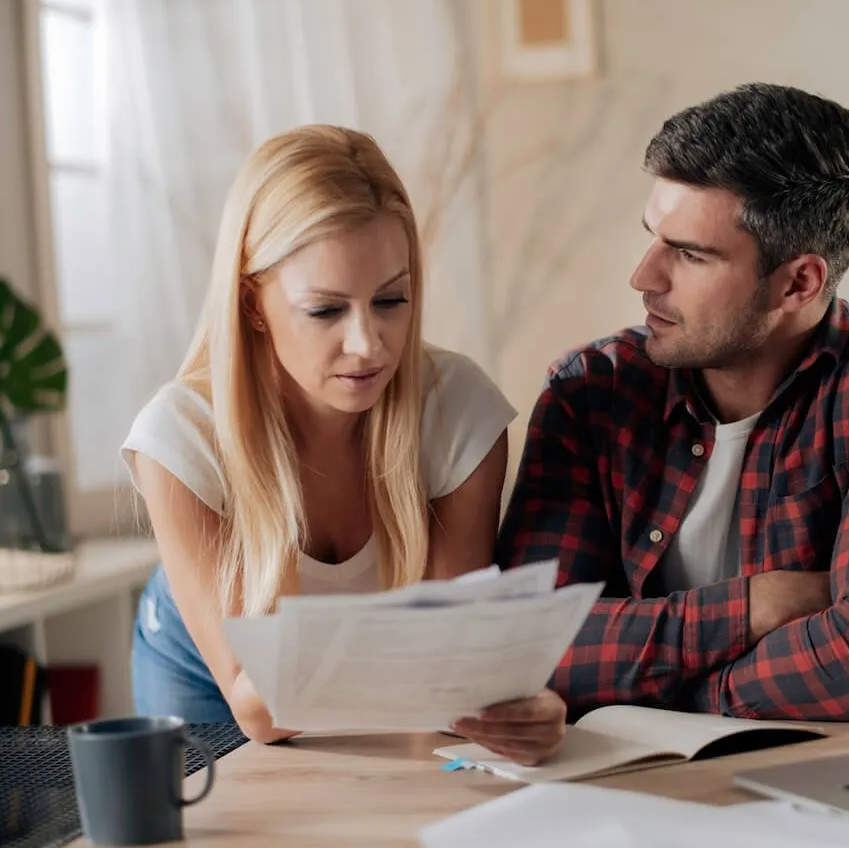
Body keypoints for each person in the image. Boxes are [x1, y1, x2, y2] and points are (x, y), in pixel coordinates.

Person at [497, 82, 849, 723]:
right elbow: (520, 647)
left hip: (815, 792)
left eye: (691, 254)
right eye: (654, 237)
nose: (643, 276)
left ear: (798, 282)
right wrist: (752, 607)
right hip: (624, 790)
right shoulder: (591, 390)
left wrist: (680, 697)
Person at [123, 124, 566, 763]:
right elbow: (264, 712)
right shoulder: (181, 436)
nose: (369, 344)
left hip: (351, 685)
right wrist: (435, 664)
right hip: (202, 673)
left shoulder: (457, 409)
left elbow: (455, 673)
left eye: (392, 300)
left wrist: (514, 705)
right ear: (252, 304)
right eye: (326, 311)